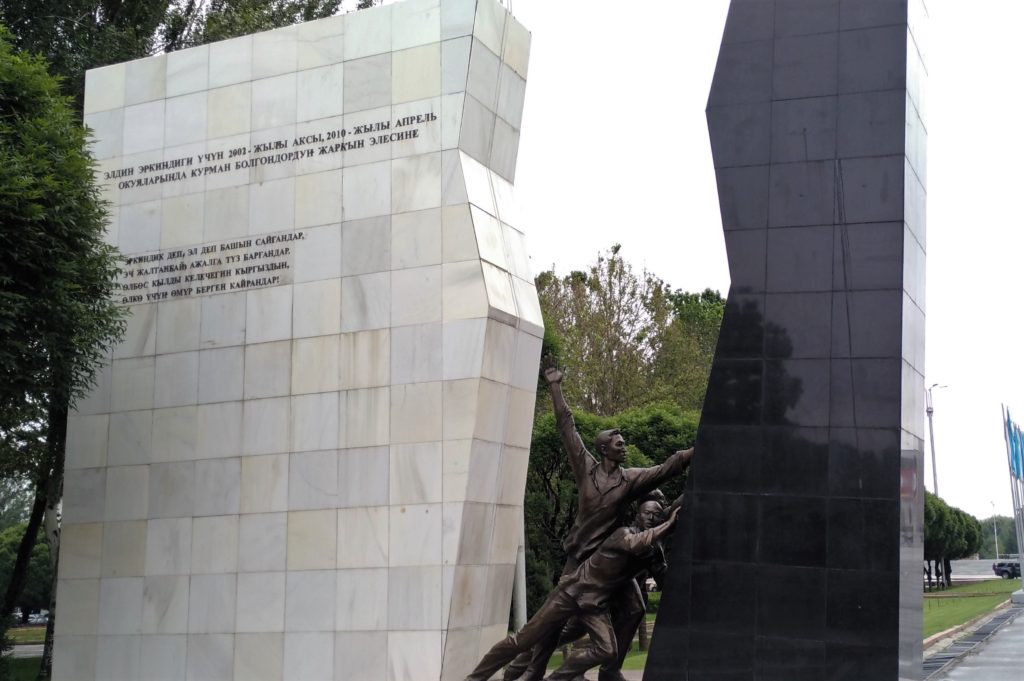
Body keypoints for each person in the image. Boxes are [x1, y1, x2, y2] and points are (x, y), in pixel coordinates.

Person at [506, 367, 694, 681]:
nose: (624, 447)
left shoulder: (630, 479)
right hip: (579, 561)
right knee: (557, 623)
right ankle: (525, 669)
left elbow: (666, 468)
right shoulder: (586, 469)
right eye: (619, 444)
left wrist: (695, 452)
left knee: (634, 609)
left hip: (610, 559)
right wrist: (555, 387)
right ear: (604, 449)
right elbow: (567, 428)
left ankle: (609, 670)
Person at [464, 501, 680, 681]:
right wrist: (669, 524)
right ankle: (474, 678)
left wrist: (665, 556)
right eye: (647, 513)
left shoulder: (652, 550)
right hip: (571, 593)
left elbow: (664, 579)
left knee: (607, 650)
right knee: (523, 640)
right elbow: (635, 544)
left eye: (656, 515)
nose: (651, 517)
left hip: (594, 604)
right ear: (637, 516)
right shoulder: (623, 534)